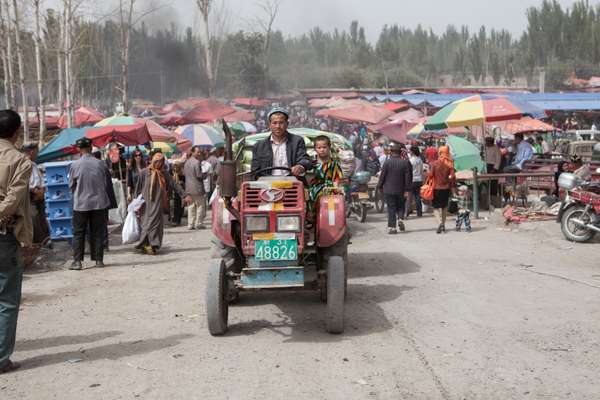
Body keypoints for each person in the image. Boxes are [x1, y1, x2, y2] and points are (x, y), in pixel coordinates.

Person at [0, 110, 32, 374]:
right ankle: (1, 359)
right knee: (7, 301)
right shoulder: (20, 161)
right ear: (17, 131)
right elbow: (13, 200)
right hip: (3, 237)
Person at [69, 138, 115, 270]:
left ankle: (77, 262)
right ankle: (99, 260)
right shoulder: (101, 164)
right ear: (90, 148)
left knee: (79, 233)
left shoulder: (74, 165)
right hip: (98, 204)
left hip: (81, 204)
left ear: (78, 149)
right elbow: (107, 184)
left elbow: (71, 186)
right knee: (97, 232)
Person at [135, 152, 190, 255]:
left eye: (161, 162)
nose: (159, 164)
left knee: (155, 224)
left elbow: (174, 184)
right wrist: (135, 203)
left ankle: (153, 245)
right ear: (153, 161)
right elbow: (138, 189)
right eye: (157, 161)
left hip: (157, 204)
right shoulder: (144, 173)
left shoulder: (164, 173)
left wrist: (184, 195)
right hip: (145, 204)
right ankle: (145, 243)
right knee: (146, 224)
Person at [251, 108, 312, 177]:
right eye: (274, 123)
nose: (278, 126)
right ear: (270, 125)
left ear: (287, 124)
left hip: (292, 181)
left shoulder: (297, 141)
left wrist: (300, 166)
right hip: (267, 184)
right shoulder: (259, 146)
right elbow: (255, 171)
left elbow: (304, 159)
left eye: (281, 123)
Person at [377, 142, 413, 234]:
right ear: (400, 152)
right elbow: (408, 178)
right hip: (401, 189)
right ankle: (400, 219)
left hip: (389, 190)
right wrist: (407, 190)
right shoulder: (405, 162)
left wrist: (379, 186)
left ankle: (392, 228)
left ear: (391, 152)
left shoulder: (387, 162)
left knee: (391, 208)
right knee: (401, 206)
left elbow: (382, 176)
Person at [21, 142, 50, 246]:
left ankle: (43, 243)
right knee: (35, 222)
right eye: (37, 151)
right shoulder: (23, 164)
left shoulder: (33, 164)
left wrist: (42, 190)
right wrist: (36, 191)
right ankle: (36, 246)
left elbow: (38, 181)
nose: (37, 154)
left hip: (38, 198)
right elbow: (23, 184)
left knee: (41, 222)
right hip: (31, 198)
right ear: (32, 151)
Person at [308, 135, 343, 214]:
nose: (322, 150)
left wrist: (337, 188)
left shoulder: (334, 163)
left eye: (324, 147)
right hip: (315, 188)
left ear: (329, 147)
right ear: (315, 149)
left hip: (330, 188)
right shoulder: (312, 162)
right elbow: (308, 177)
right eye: (319, 148)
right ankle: (312, 217)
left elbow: (336, 178)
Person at [430, 146, 456, 234]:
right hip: (446, 188)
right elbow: (453, 177)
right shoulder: (450, 163)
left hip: (436, 188)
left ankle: (440, 223)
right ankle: (443, 224)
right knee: (444, 207)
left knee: (435, 208)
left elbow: (431, 175)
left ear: (440, 152)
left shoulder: (435, 163)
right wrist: (452, 187)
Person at [184, 146, 208, 230]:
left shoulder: (186, 162)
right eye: (197, 152)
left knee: (191, 207)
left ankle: (190, 224)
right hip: (197, 188)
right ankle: (198, 223)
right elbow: (199, 175)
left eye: (199, 152)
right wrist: (205, 175)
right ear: (193, 152)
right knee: (200, 206)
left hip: (189, 188)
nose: (199, 154)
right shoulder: (197, 162)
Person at [407, 146, 424, 218]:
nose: (409, 152)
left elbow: (408, 171)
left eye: (410, 151)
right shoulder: (420, 160)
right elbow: (421, 171)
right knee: (418, 197)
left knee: (409, 197)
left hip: (412, 180)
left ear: (412, 152)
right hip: (419, 179)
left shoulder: (410, 160)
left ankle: (408, 211)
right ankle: (419, 213)